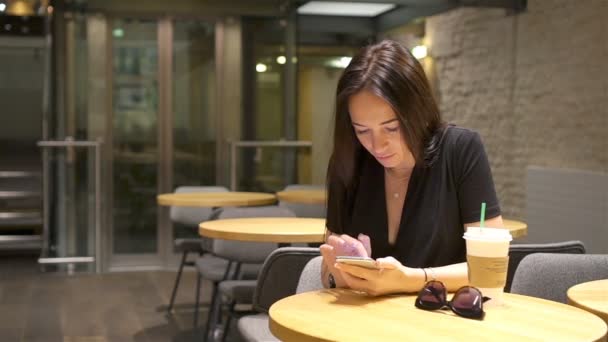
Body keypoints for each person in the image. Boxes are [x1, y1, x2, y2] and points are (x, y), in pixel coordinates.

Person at [320, 39, 503, 296]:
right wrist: (338, 272)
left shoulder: (460, 150)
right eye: (362, 130)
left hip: (442, 321)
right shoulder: (350, 161)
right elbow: (328, 273)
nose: (377, 145)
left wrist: (410, 279)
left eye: (392, 128)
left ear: (417, 110)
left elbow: (489, 270)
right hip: (366, 323)